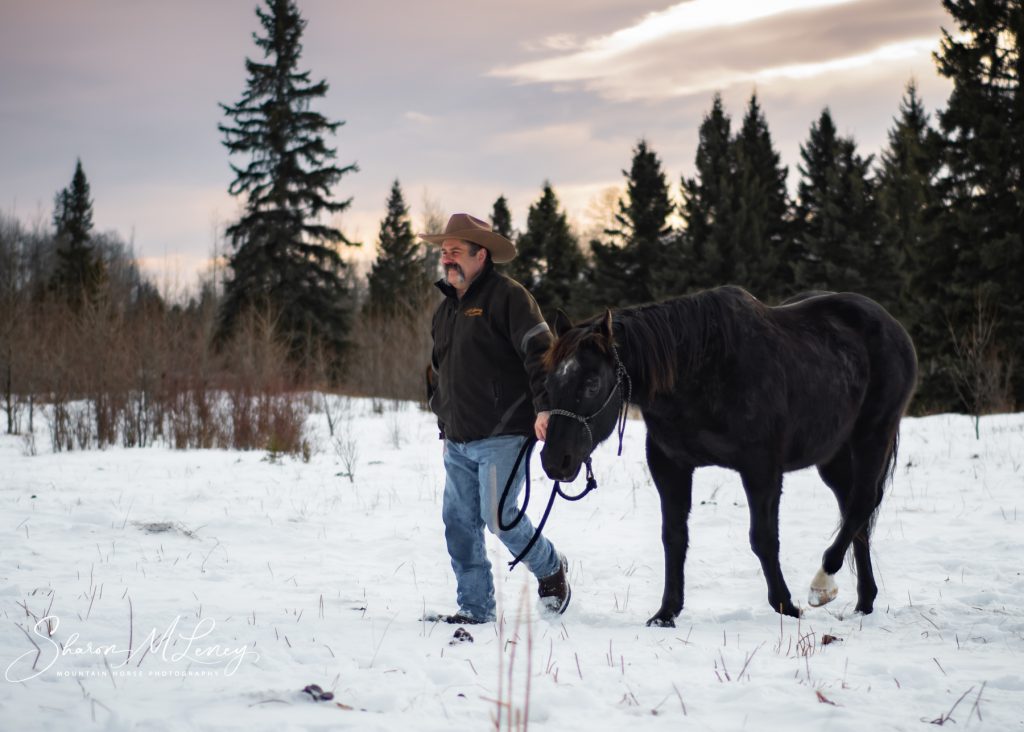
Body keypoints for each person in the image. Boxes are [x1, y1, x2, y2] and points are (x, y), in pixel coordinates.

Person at [421, 213, 570, 624]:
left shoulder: (509, 297)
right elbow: (439, 370)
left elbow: (541, 351)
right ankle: (474, 608)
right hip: (458, 438)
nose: (447, 259)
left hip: (504, 433)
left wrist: (545, 407)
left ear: (480, 255)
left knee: (499, 519)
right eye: (444, 252)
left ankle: (551, 567)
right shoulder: (446, 311)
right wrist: (443, 417)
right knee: (458, 524)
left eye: (456, 252)